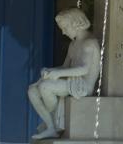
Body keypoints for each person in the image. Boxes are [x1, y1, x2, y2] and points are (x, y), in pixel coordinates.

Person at [28, 8, 100, 140]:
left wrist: (57, 74)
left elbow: (84, 69)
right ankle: (51, 127)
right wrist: (50, 71)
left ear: (76, 23)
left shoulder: (89, 44)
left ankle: (55, 123)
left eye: (65, 27)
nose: (63, 31)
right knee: (32, 90)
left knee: (45, 87)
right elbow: (65, 66)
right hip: (71, 80)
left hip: (82, 85)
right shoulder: (73, 44)